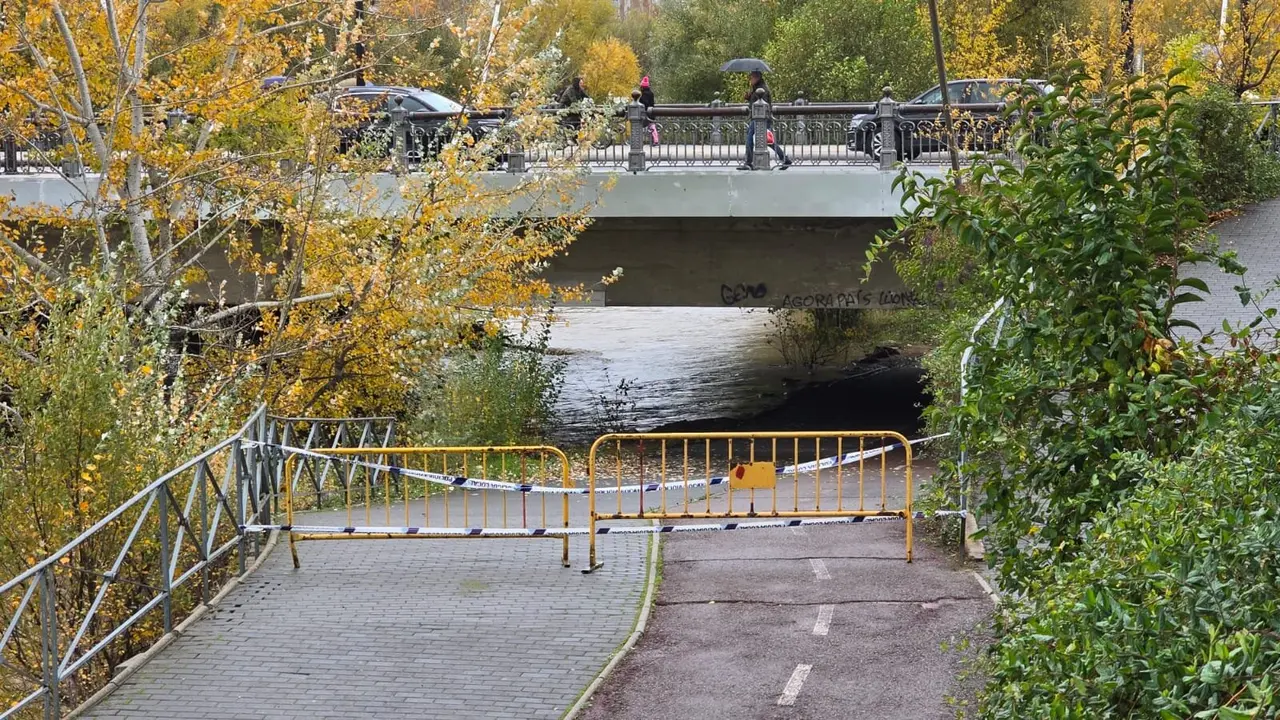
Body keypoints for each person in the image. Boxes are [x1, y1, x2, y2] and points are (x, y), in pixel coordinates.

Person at [739, 70, 791, 170]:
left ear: (757, 78)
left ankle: (748, 162)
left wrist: (752, 98)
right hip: (760, 118)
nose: (750, 80)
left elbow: (762, 104)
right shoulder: (758, 88)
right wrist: (749, 97)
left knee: (750, 139)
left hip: (760, 119)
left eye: (752, 78)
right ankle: (785, 159)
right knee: (769, 141)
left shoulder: (762, 88)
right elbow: (756, 101)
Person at [639, 76, 659, 146]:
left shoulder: (644, 95)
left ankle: (640, 140)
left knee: (640, 125)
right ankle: (655, 140)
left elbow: (644, 103)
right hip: (652, 111)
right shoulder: (651, 93)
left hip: (645, 112)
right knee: (652, 125)